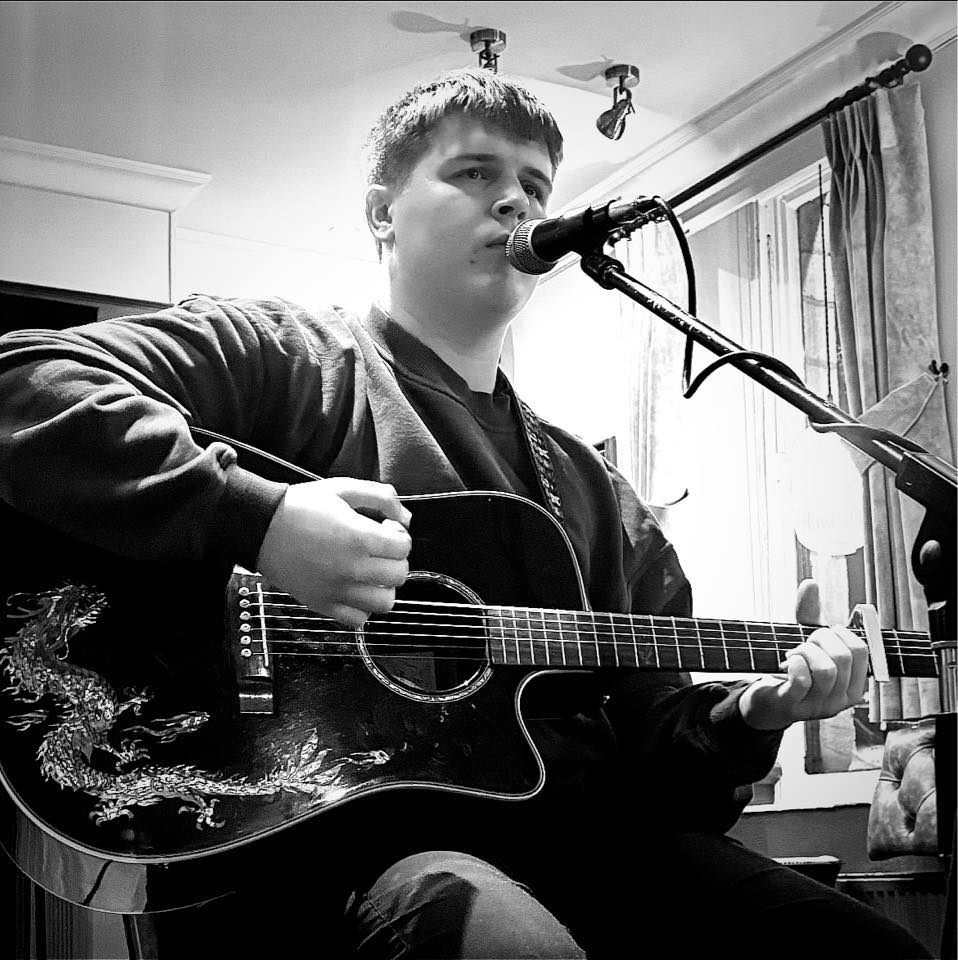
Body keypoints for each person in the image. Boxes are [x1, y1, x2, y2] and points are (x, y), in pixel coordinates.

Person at [0, 69, 930, 959]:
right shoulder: (288, 357)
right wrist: (260, 519)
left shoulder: (592, 489)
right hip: (339, 852)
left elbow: (663, 769)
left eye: (535, 184)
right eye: (475, 173)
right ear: (382, 212)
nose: (516, 202)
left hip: (584, 848)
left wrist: (753, 718)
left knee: (853, 944)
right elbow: (24, 382)